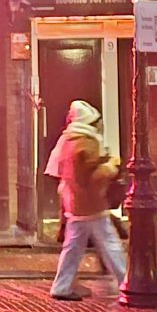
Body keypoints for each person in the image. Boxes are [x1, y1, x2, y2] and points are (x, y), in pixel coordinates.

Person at [47, 100, 127, 301]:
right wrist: (111, 165)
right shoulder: (86, 143)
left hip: (75, 204)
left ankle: (61, 286)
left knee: (73, 247)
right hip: (91, 204)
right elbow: (93, 176)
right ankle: (126, 283)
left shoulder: (68, 140)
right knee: (110, 243)